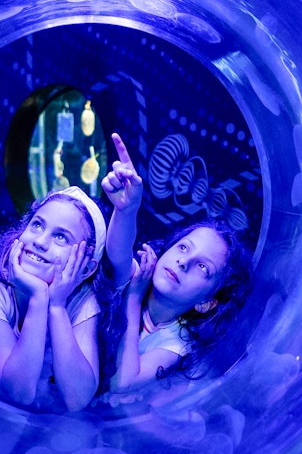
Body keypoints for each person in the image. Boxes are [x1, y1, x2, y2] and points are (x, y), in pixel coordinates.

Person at [99, 133, 253, 394]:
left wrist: (133, 299)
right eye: (183, 247)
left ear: (206, 303)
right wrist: (127, 208)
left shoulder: (177, 342)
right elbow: (119, 253)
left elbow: (123, 383)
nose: (184, 262)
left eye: (203, 268)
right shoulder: (141, 275)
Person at [0, 186, 107, 412]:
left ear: (86, 269)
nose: (40, 241)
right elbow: (20, 392)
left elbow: (77, 398)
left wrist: (57, 306)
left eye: (61, 237)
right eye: (37, 224)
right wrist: (39, 298)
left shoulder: (81, 298)